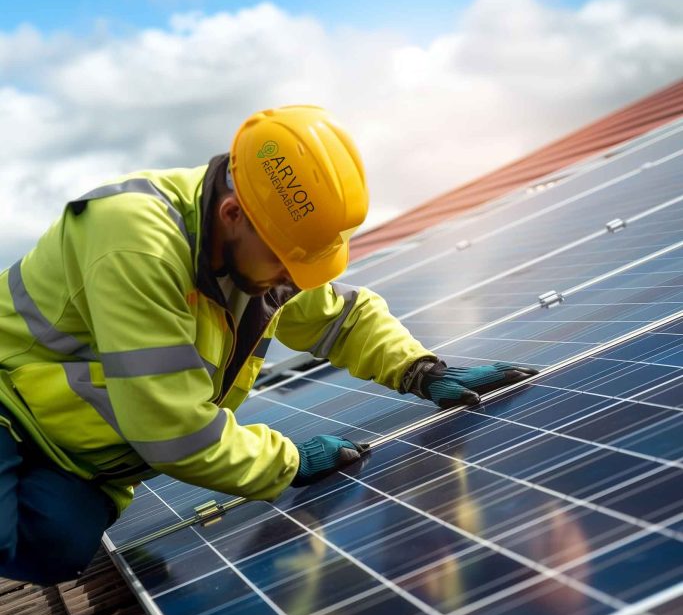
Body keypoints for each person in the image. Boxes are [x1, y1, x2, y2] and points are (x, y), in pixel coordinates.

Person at [0, 105, 536, 585]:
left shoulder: (258, 248)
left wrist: (419, 369)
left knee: (57, 550)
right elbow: (171, 428)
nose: (293, 279)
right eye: (287, 260)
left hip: (68, 449)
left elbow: (341, 317)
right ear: (233, 215)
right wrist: (284, 462)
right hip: (6, 407)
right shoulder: (136, 244)